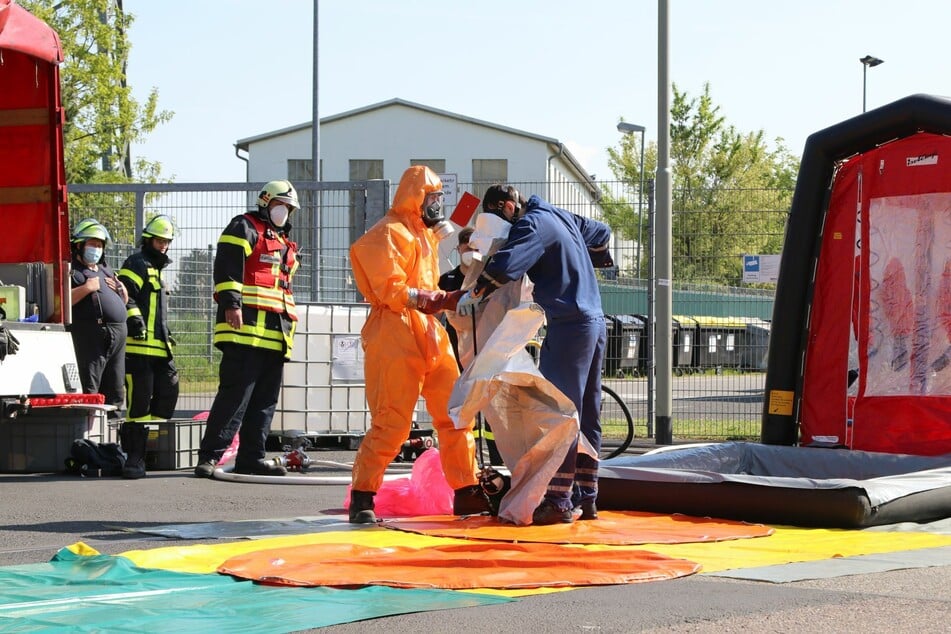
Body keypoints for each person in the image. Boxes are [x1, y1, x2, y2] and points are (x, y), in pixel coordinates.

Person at [461, 184, 612, 525]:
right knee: (586, 412)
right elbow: (602, 233)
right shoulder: (561, 216)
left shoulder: (531, 224)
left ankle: (558, 500)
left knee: (558, 414)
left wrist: (476, 287)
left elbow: (507, 264)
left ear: (508, 206)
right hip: (595, 321)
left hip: (569, 324)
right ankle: (587, 497)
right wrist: (592, 258)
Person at [347, 165, 489, 524]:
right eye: (433, 198)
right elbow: (392, 291)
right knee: (392, 420)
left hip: (429, 331)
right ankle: (363, 496)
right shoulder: (386, 234)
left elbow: (428, 275)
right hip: (394, 332)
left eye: (441, 198)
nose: (438, 206)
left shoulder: (424, 236)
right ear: (416, 199)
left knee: (455, 411)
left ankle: (467, 490)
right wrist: (442, 299)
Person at [194, 180, 301, 478]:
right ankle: (210, 457)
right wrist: (232, 304)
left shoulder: (283, 241)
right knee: (235, 396)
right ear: (266, 202)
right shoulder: (244, 226)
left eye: (289, 208)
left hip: (275, 334)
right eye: (281, 205)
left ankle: (252, 457)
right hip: (244, 328)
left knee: (265, 402)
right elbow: (227, 265)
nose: (285, 212)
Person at [117, 215, 180, 479]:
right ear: (148, 239)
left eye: (167, 241)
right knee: (139, 404)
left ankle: (146, 448)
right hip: (138, 349)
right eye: (159, 240)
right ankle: (134, 458)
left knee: (169, 389)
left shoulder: (158, 270)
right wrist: (135, 318)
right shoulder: (137, 262)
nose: (163, 245)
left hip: (159, 349)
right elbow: (125, 292)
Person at [439, 226, 502, 467]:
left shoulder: (491, 277)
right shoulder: (447, 280)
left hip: (487, 352)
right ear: (458, 250)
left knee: (492, 409)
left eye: (474, 245)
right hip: (457, 353)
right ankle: (468, 460)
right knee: (464, 409)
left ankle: (498, 460)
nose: (470, 250)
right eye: (465, 245)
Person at [69, 218, 129, 421]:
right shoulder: (72, 270)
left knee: (115, 389)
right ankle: (89, 438)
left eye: (99, 245)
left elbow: (121, 298)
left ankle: (113, 443)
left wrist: (122, 291)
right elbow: (61, 302)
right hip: (92, 336)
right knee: (91, 389)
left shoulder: (105, 269)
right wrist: (87, 288)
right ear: (79, 245)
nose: (96, 249)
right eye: (92, 244)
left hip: (118, 335)